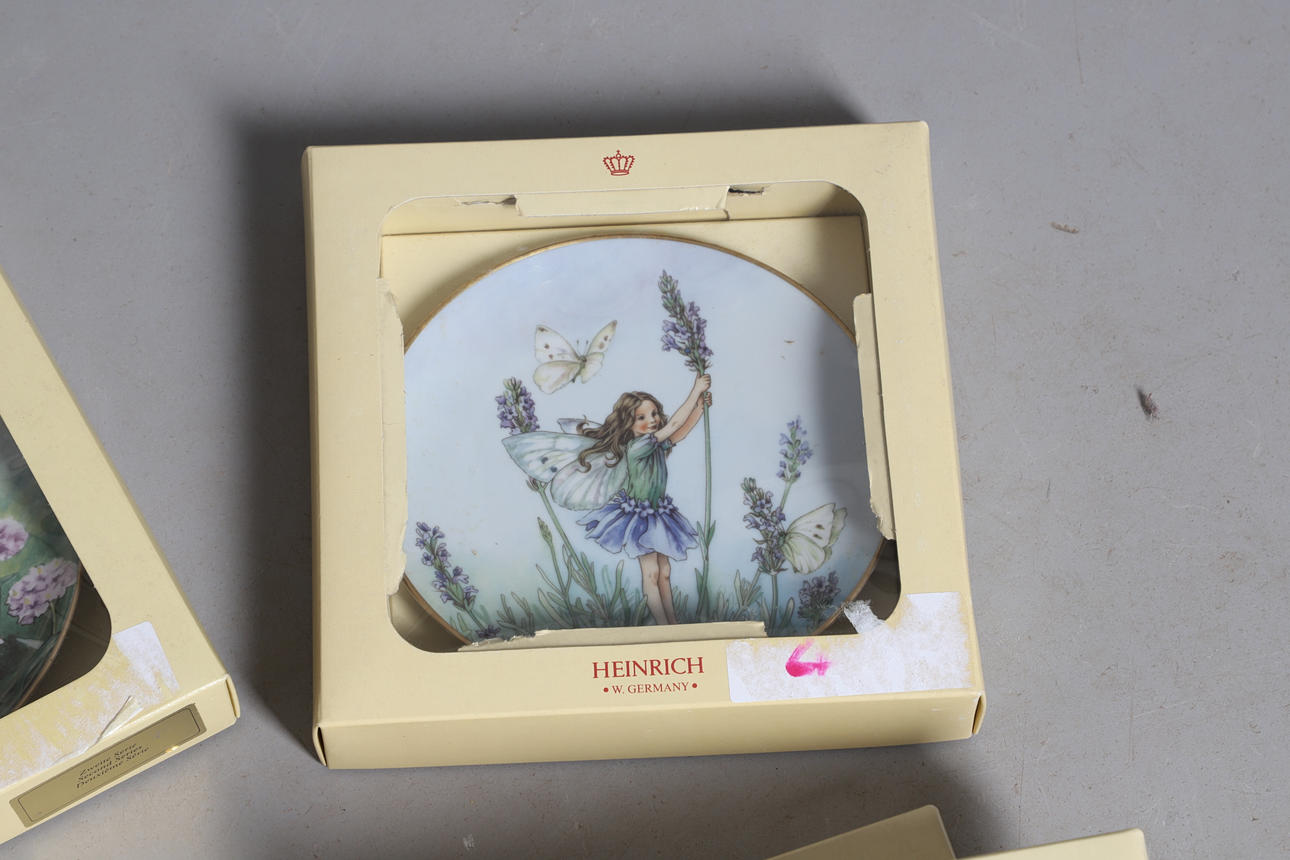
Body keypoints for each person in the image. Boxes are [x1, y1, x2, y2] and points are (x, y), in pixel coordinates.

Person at [572, 375, 711, 625]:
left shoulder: (655, 445)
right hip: (639, 516)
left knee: (664, 572)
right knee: (651, 572)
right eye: (642, 417)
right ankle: (663, 627)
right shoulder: (638, 447)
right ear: (628, 423)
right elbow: (674, 424)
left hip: (659, 513)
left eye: (654, 414)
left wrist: (699, 408)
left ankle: (672, 624)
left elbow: (679, 433)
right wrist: (695, 390)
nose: (652, 420)